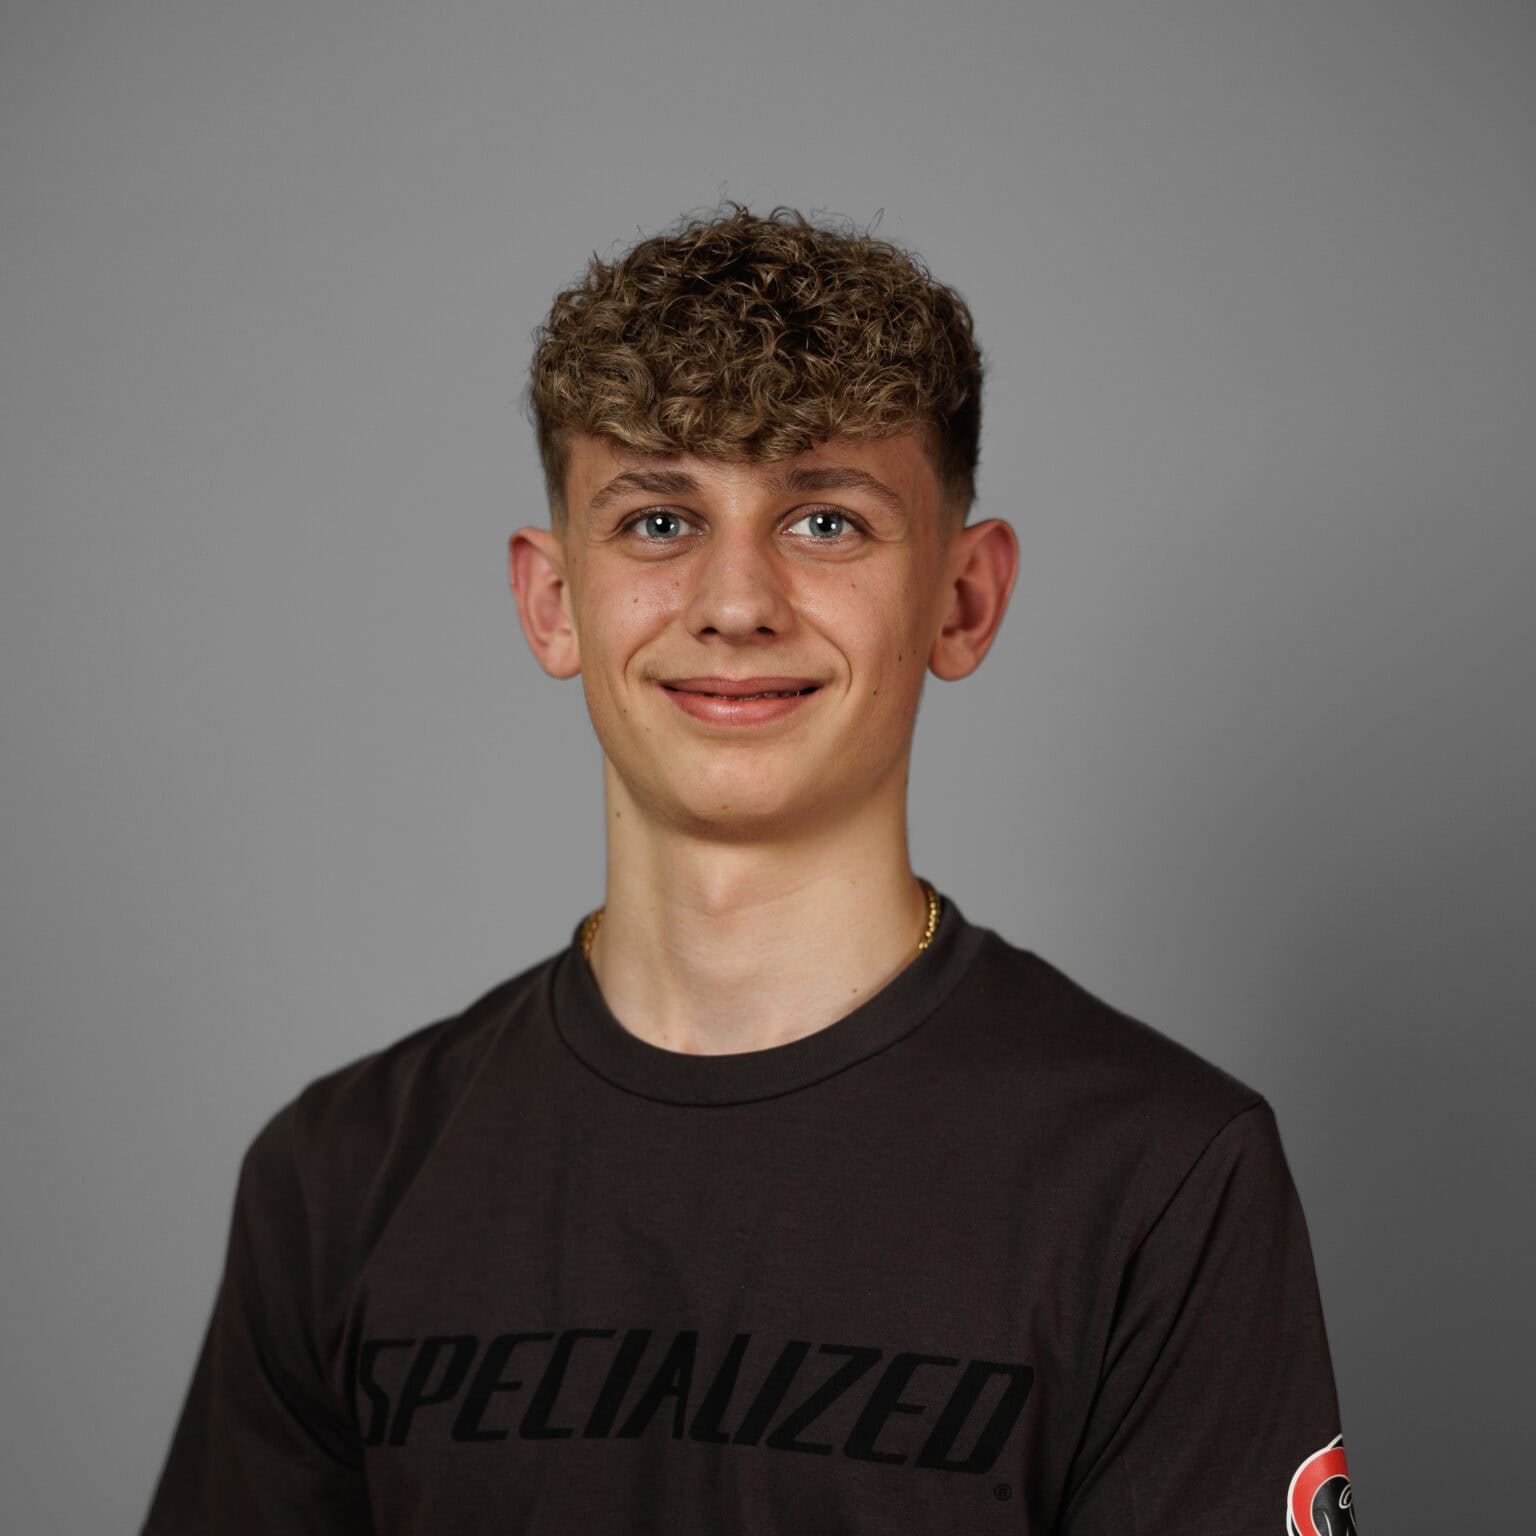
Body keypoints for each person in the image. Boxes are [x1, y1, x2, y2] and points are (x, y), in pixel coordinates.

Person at [142, 203, 1354, 1535]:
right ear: (553, 599)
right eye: (659, 521)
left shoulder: (1159, 1177)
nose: (734, 604)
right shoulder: (339, 1178)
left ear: (964, 599)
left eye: (825, 522)